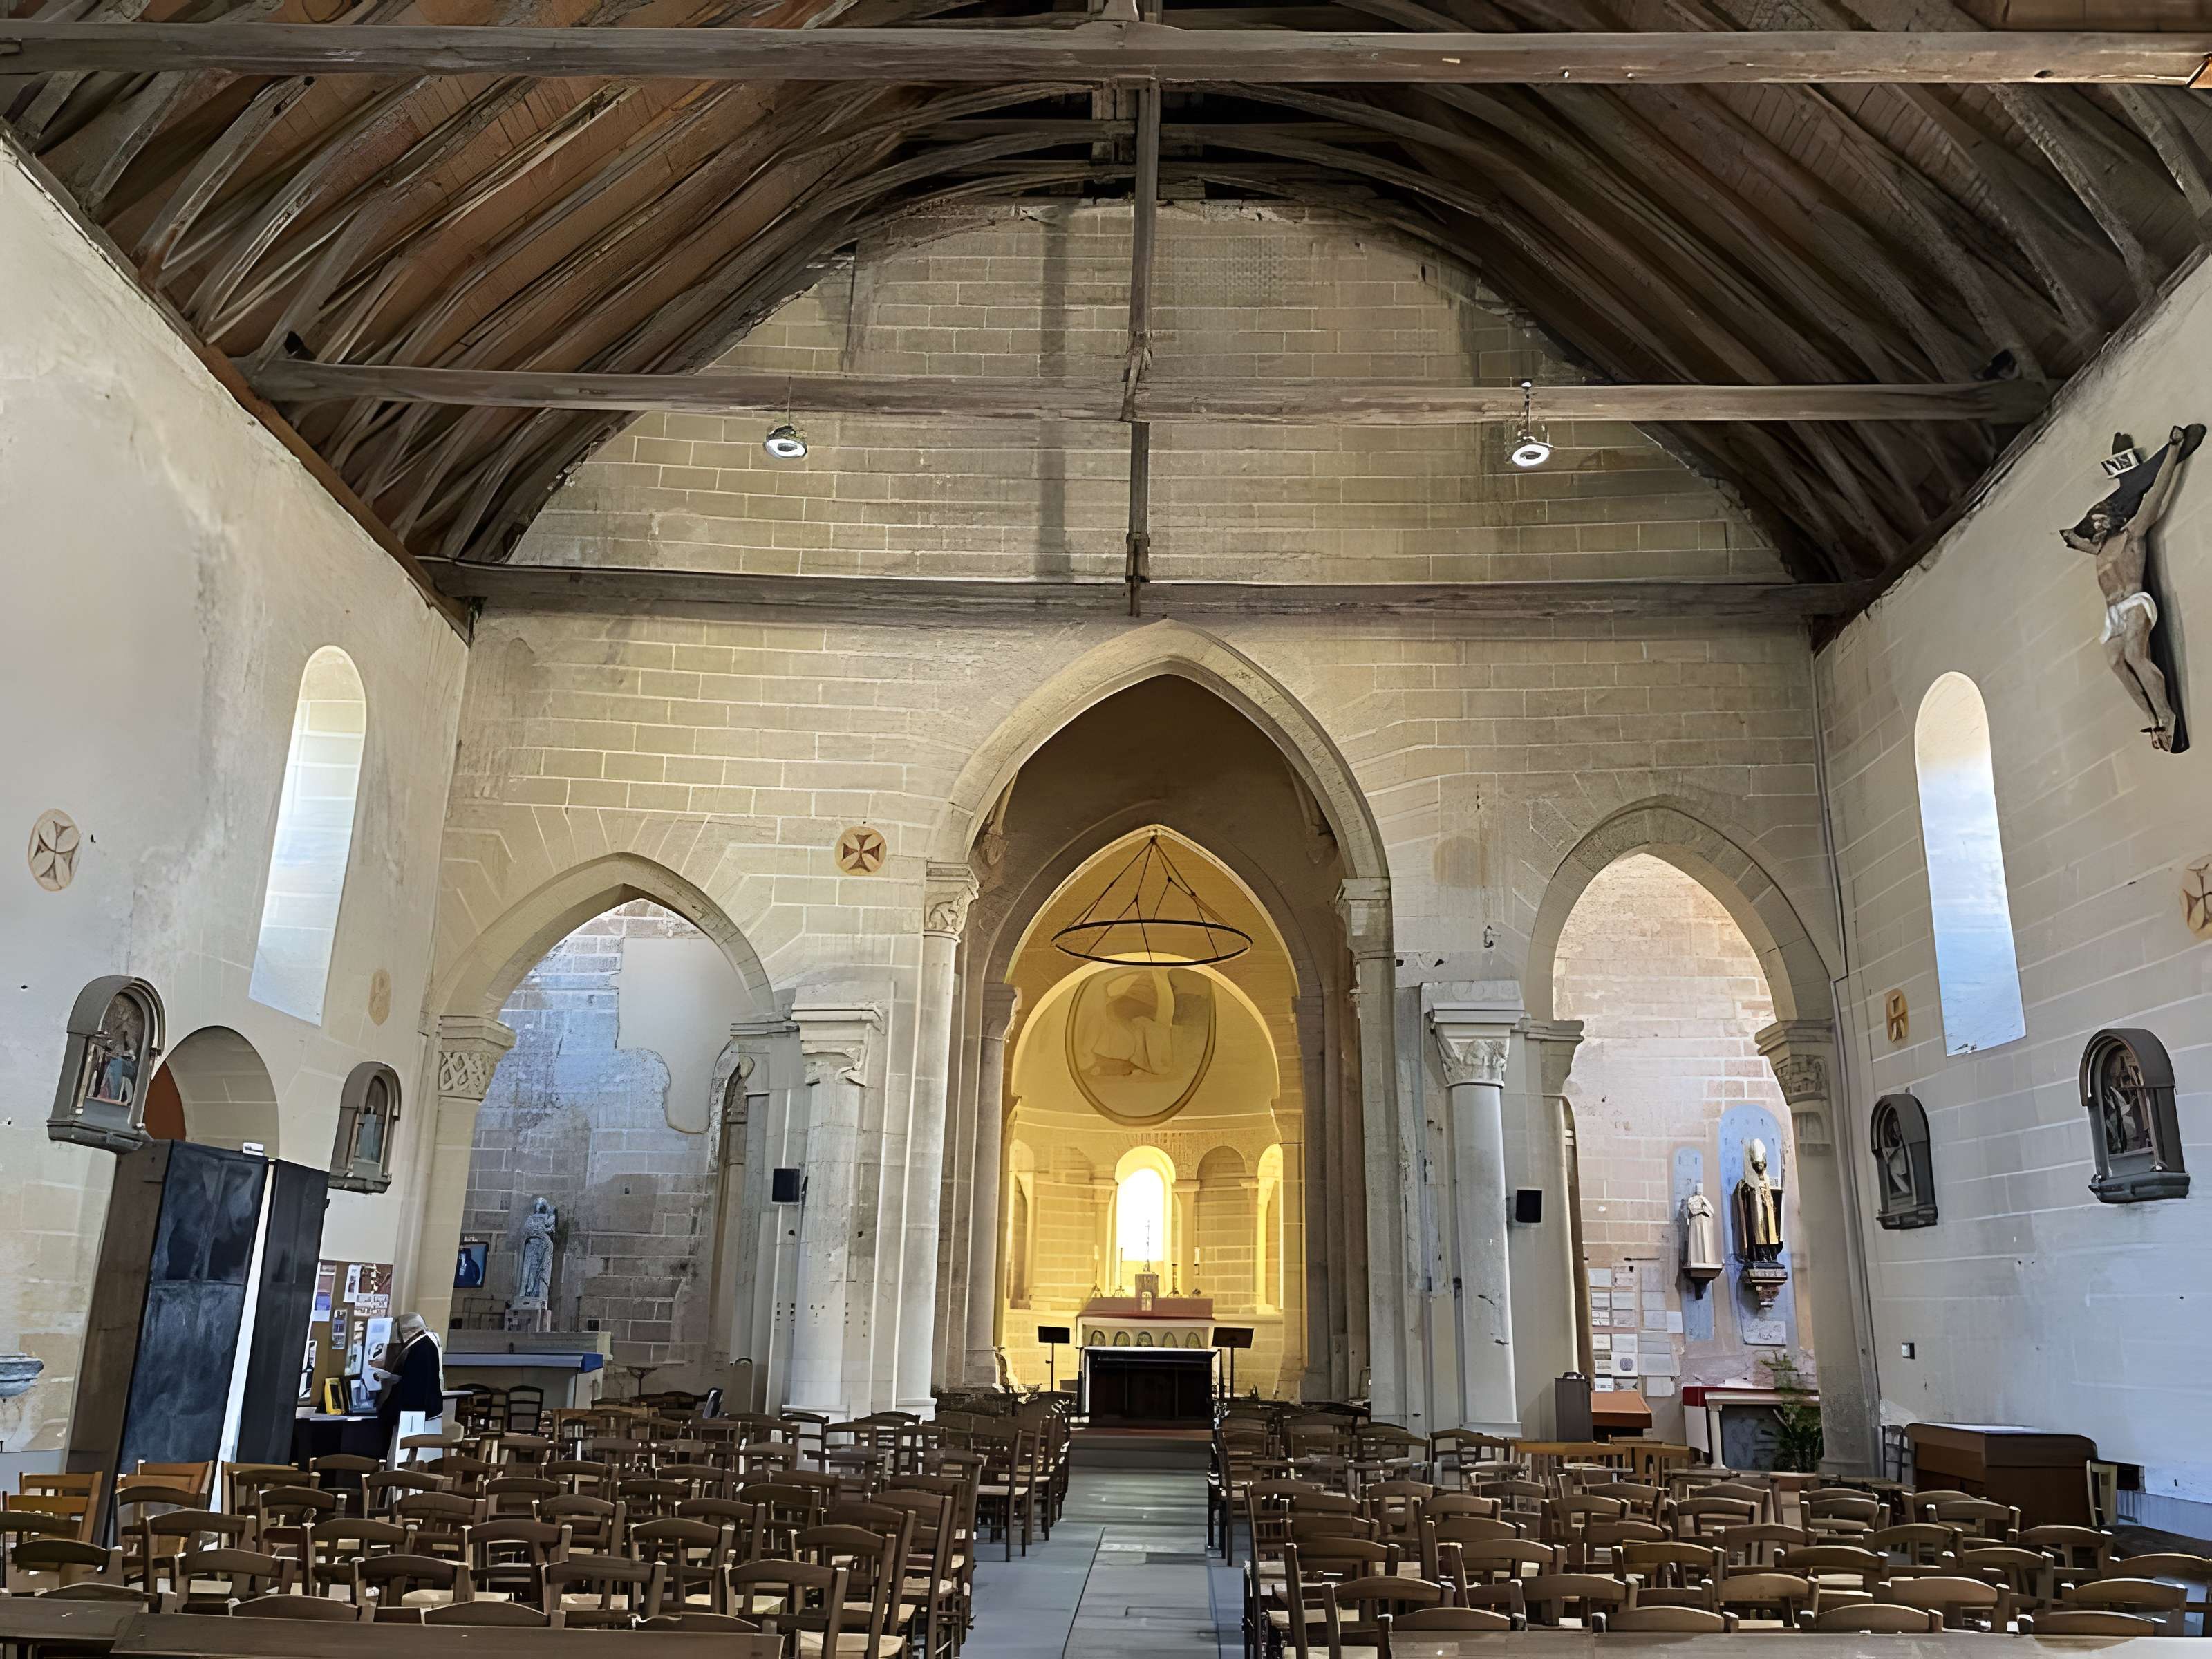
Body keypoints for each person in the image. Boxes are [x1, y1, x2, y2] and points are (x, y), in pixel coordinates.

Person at [375, 1311, 445, 1462]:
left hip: (412, 1412)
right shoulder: (428, 1344)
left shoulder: (420, 1348)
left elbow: (412, 1383)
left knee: (401, 1456)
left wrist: (389, 1408)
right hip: (424, 1410)